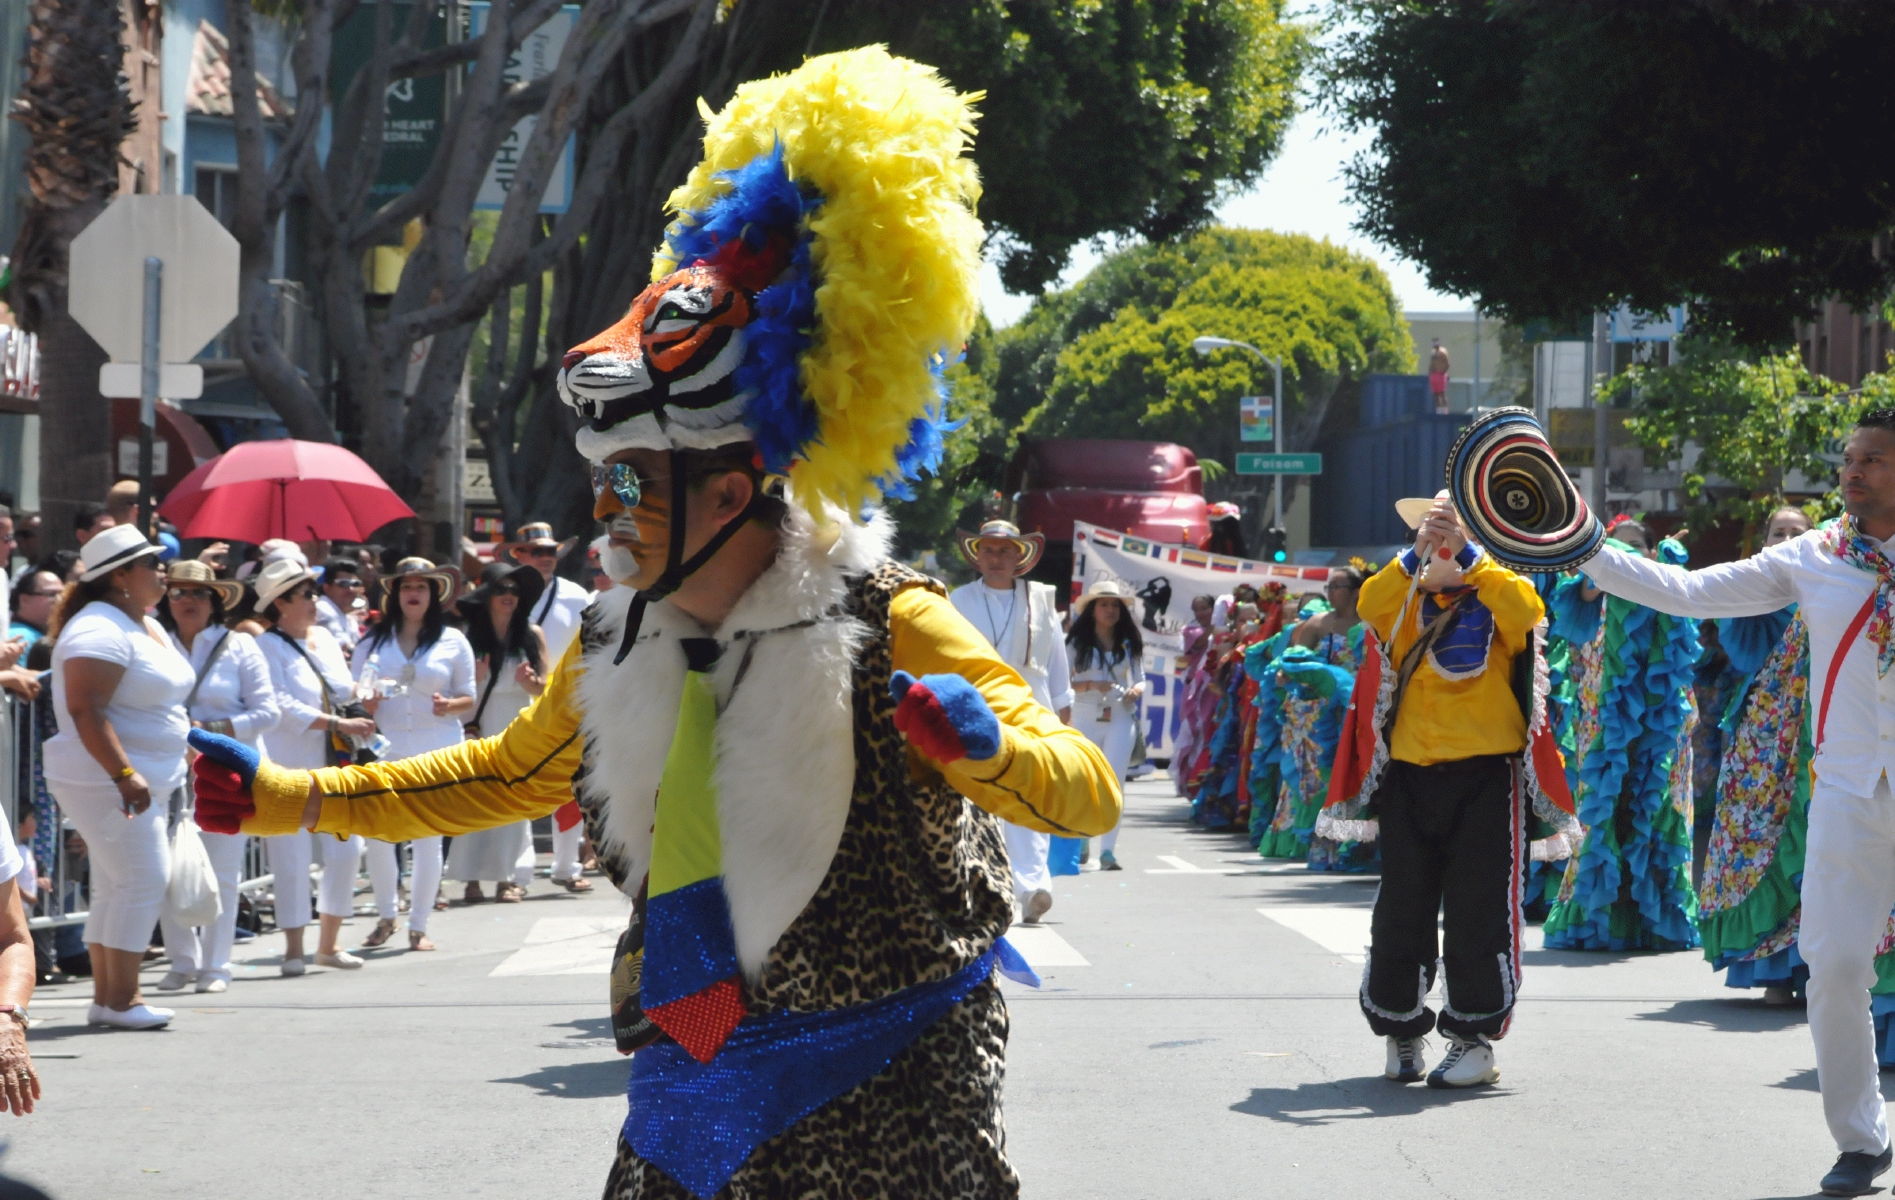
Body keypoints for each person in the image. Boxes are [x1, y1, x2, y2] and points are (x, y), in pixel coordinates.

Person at [187, 48, 1120, 1198]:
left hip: (894, 1063)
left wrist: (987, 750)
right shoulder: (615, 636)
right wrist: (296, 799)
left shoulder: (886, 624)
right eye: (602, 484)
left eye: (631, 485)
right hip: (699, 1052)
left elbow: (1088, 790)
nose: (604, 514)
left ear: (729, 494)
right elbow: (506, 775)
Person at [1569, 411, 1895, 1196]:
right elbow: (1687, 592)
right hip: (1850, 792)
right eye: (1848, 458)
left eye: (1874, 460)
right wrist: (1585, 548)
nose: (1851, 472)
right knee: (1837, 965)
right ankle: (1861, 1140)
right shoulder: (1813, 557)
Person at [1320, 492, 1575, 1089]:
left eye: (1451, 530)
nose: (1442, 542)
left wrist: (1471, 556)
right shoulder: (1402, 594)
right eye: (1434, 529)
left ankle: (1473, 1038)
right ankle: (1402, 1031)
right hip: (1410, 775)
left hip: (1487, 776)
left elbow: (1525, 610)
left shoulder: (1499, 587)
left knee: (1478, 908)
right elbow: (1368, 604)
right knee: (1401, 908)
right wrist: (1417, 554)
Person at [41, 525, 194, 1029]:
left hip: (134, 776)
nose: (163, 568)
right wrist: (124, 773)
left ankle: (109, 999)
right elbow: (86, 708)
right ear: (121, 575)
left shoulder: (138, 622)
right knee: (143, 879)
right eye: (153, 562)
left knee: (115, 883)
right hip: (107, 779)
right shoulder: (99, 628)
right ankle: (124, 1000)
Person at [1542, 517, 1702, 952]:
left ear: (1653, 552)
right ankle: (1596, 919)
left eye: (1636, 548)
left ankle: (1659, 917)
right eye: (1616, 549)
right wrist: (1607, 570)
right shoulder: (1587, 591)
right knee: (1604, 811)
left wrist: (1664, 567)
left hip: (1662, 725)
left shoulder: (1669, 585)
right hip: (1604, 726)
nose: (1627, 556)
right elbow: (1574, 611)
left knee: (1659, 806)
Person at [1695, 506, 1816, 1006]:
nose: (1786, 539)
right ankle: (1772, 968)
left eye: (1796, 533)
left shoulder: (1839, 583)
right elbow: (1741, 652)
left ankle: (1818, 969)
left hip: (1822, 735)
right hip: (1763, 744)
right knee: (1759, 843)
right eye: (1778, 533)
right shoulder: (1752, 594)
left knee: (1819, 845)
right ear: (1764, 544)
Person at [152, 560, 277, 992]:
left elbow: (267, 712)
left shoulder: (240, 645)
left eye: (198, 593)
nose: (188, 601)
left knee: (222, 868)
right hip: (165, 767)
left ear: (215, 600)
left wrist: (208, 732)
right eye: (179, 592)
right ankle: (181, 961)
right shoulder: (154, 641)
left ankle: (216, 965)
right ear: (167, 599)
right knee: (166, 867)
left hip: (224, 771)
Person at [948, 520, 1073, 924]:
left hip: (1030, 706)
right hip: (976, 706)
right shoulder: (957, 600)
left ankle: (1033, 887)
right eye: (989, 550)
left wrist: (1063, 711)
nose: (996, 558)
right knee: (978, 797)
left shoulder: (1040, 599)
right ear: (977, 555)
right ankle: (984, 887)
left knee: (1029, 794)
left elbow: (1056, 661)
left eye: (1005, 550)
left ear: (1020, 556)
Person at [252, 559, 372, 975]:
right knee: (291, 853)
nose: (315, 601)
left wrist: (362, 701)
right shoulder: (265, 645)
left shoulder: (323, 636)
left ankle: (329, 942)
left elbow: (341, 688)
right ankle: (293, 947)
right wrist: (340, 722)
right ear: (280, 602)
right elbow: (281, 704)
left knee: (346, 847)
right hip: (290, 761)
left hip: (336, 760)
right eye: (306, 594)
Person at [351, 558, 473, 950]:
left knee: (427, 839)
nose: (414, 593)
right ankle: (387, 916)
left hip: (435, 747)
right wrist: (364, 705)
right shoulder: (372, 641)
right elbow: (354, 696)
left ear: (434, 594)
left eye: (422, 586)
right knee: (380, 837)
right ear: (394, 594)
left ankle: (418, 924)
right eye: (406, 587)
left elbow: (468, 697)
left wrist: (448, 705)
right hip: (385, 748)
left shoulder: (453, 639)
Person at [444, 562, 550, 902]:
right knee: (473, 801)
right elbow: (451, 688)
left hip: (516, 726)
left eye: (515, 591)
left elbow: (545, 688)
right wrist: (473, 678)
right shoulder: (465, 636)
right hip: (476, 725)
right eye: (502, 589)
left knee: (513, 803)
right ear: (488, 595)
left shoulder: (532, 634)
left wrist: (532, 683)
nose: (509, 596)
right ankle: (471, 879)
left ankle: (508, 879)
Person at [1068, 579, 1144, 871]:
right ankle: (1082, 838)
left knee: (1115, 783)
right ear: (1092, 610)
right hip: (1084, 714)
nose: (1110, 610)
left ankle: (1108, 852)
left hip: (1120, 716)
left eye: (1115, 605)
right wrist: (1089, 683)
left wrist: (1136, 690)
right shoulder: (1076, 643)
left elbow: (1140, 677)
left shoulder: (1129, 642)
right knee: (1084, 781)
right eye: (1104, 604)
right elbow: (1062, 680)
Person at [316, 557, 368, 657]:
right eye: (344, 584)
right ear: (327, 588)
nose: (351, 589)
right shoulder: (322, 608)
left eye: (355, 584)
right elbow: (344, 645)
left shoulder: (349, 618)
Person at [9, 570, 58, 651]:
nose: (59, 599)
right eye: (52, 594)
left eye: (63, 594)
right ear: (24, 599)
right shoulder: (20, 637)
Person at [1428, 337, 1451, 415]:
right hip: (1433, 375)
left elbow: (1447, 364)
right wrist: (1430, 373)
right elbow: (1431, 364)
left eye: (1436, 342)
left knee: (1442, 393)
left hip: (1440, 375)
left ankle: (1445, 411)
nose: (1434, 344)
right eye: (1433, 342)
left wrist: (1442, 372)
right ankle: (1439, 411)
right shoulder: (1433, 352)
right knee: (1435, 394)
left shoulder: (1443, 351)